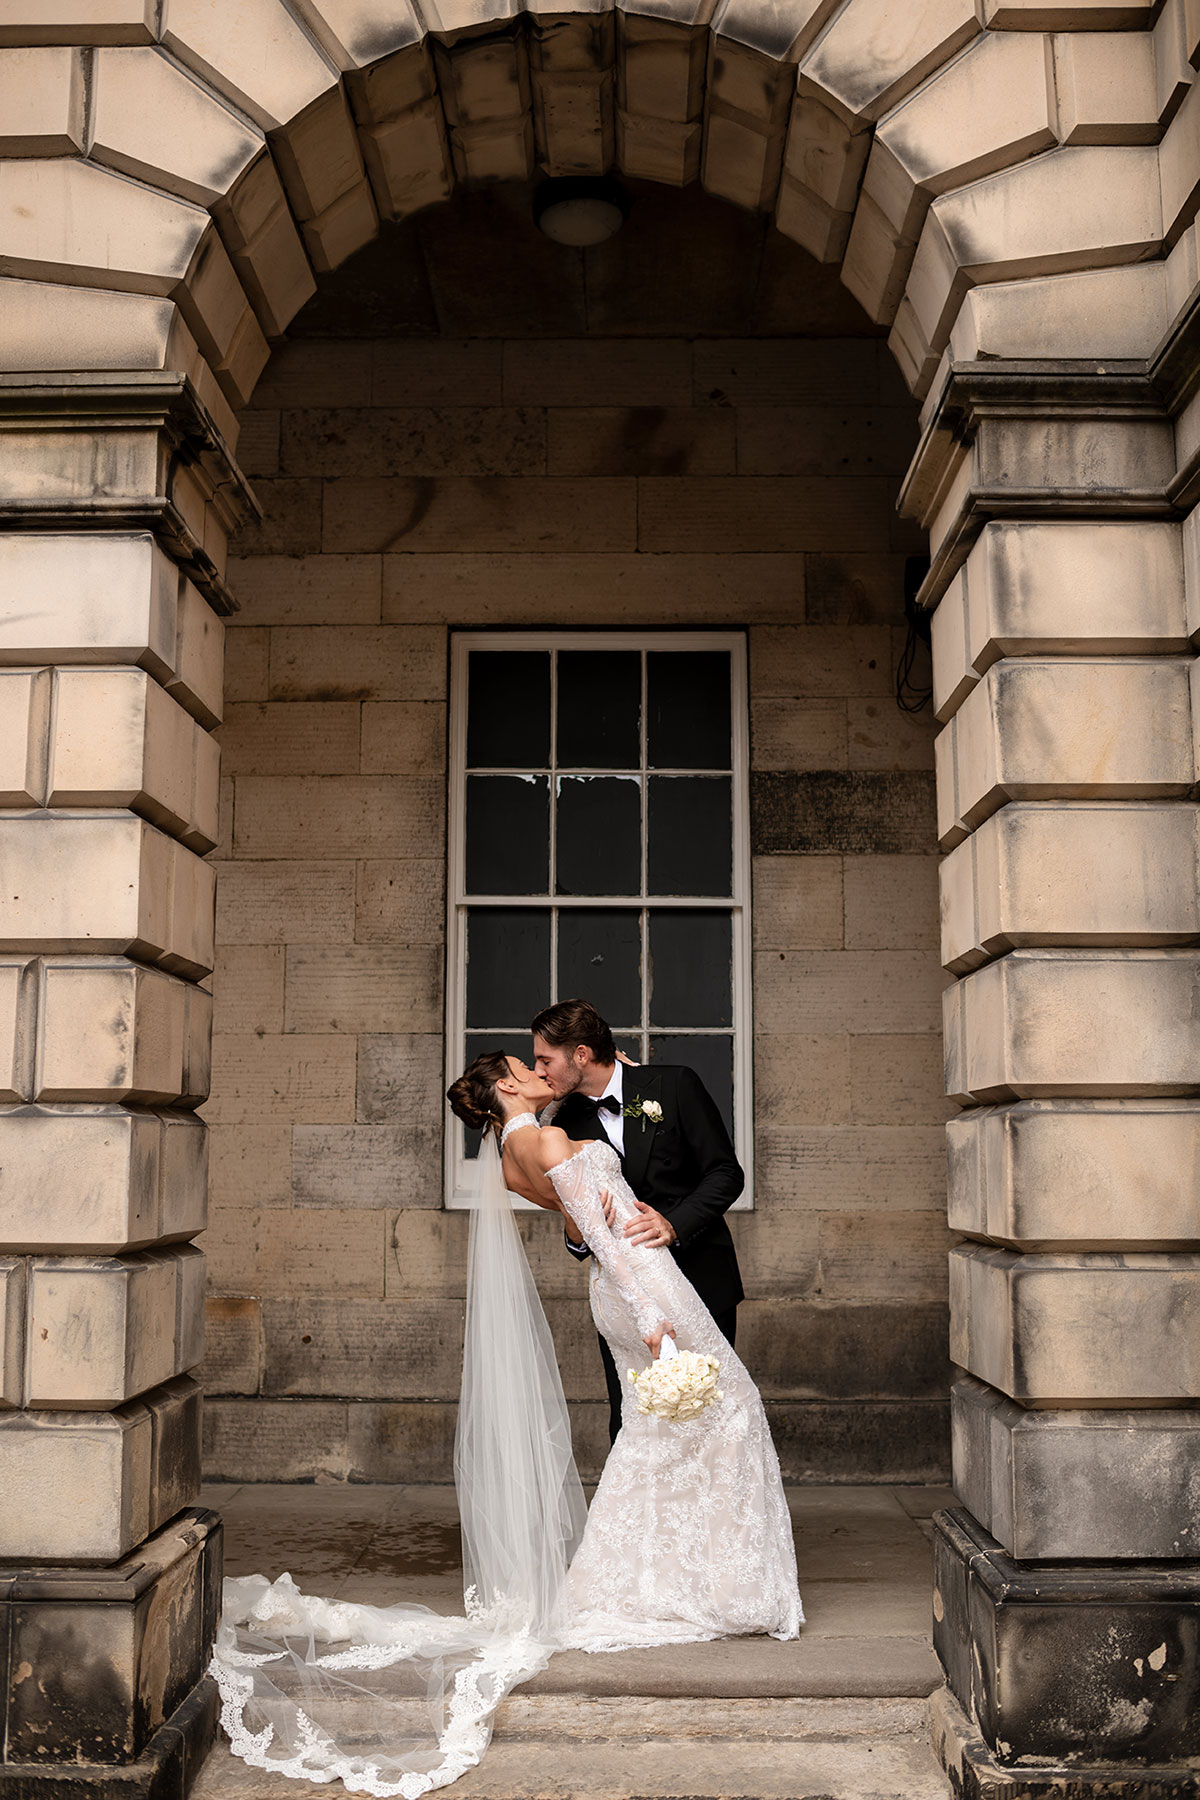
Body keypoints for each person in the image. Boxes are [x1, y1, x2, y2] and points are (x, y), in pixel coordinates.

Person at [209, 1050, 800, 1800]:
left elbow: (575, 1214)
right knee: (725, 1414)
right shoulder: (549, 1141)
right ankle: (674, 1581)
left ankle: (672, 1576)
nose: (539, 1070)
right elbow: (602, 1235)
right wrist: (653, 1315)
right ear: (507, 1086)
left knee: (670, 1432)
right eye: (528, 1066)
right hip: (644, 1285)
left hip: (625, 1283)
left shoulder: (515, 1152)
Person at [528, 998, 745, 1446]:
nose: (540, 1070)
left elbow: (726, 1173)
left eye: (545, 1059)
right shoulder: (562, 1122)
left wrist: (674, 1223)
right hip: (627, 1298)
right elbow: (577, 1223)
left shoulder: (675, 1085)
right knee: (634, 1422)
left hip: (701, 1276)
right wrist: (575, 1234)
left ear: (582, 1055)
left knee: (712, 1416)